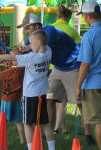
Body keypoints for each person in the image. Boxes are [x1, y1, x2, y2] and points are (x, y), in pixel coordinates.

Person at [17, 13, 94, 146]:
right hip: (58, 68)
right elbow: (30, 51)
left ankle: (88, 135)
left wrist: (25, 49)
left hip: (73, 66)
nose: (26, 31)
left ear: (36, 26)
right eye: (24, 29)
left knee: (79, 102)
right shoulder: (32, 38)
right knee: (49, 98)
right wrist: (21, 50)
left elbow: (37, 46)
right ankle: (49, 131)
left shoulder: (49, 31)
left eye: (27, 28)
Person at [0, 30, 55, 150]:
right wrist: (27, 47)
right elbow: (40, 46)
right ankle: (52, 148)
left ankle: (31, 147)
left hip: (30, 95)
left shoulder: (31, 57)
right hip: (42, 93)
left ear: (38, 42)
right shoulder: (48, 51)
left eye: (31, 43)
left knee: (27, 124)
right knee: (45, 123)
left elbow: (12, 56)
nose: (30, 46)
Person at [51, 5, 81, 134]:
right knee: (62, 102)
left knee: (53, 100)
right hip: (70, 69)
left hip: (52, 69)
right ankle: (59, 128)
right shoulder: (72, 30)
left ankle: (57, 128)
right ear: (68, 17)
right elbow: (79, 50)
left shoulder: (51, 27)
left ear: (58, 16)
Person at [75, 1, 101, 149]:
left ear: (88, 15)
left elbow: (85, 64)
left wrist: (78, 87)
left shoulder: (89, 35)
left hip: (94, 84)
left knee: (98, 121)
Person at [0, 49, 25, 144]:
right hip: (16, 98)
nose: (9, 59)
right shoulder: (21, 68)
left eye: (11, 57)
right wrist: (8, 66)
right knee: (18, 121)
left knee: (4, 120)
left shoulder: (14, 70)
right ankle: (22, 140)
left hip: (9, 99)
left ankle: (1, 139)